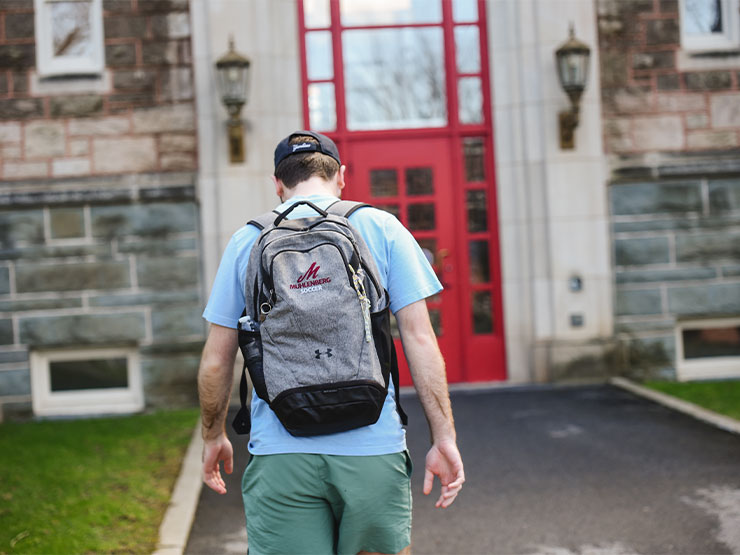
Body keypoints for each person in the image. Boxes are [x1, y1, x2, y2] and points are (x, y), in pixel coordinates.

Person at [197, 130, 464, 555]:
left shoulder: (247, 240)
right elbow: (420, 339)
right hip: (373, 446)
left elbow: (216, 361)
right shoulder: (381, 227)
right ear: (341, 176)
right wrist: (443, 437)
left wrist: (213, 436)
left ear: (278, 183)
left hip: (282, 448)